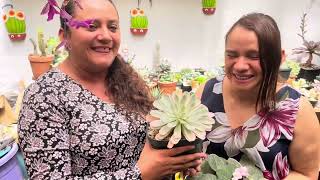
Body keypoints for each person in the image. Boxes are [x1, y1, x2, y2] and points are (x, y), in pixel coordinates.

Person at [18, 0, 205, 179]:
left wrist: (176, 158)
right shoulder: (44, 96)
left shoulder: (124, 77)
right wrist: (140, 174)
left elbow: (144, 138)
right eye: (92, 26)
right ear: (64, 36)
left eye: (113, 27)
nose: (106, 36)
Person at [196, 13, 320, 179]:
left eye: (253, 56)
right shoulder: (208, 91)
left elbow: (307, 174)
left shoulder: (297, 110)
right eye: (232, 55)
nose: (240, 66)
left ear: (280, 57)